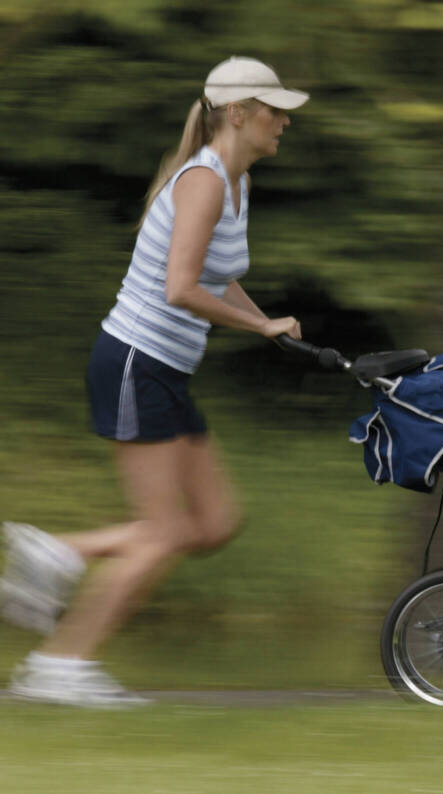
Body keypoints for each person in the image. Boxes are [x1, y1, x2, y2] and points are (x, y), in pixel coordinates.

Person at [1, 57, 310, 707]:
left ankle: (59, 551)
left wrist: (268, 323)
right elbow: (179, 287)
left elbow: (216, 273)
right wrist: (257, 330)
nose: (284, 120)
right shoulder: (202, 181)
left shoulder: (235, 183)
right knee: (165, 532)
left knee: (216, 521)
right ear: (237, 113)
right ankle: (61, 665)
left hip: (162, 370)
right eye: (273, 109)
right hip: (135, 362)